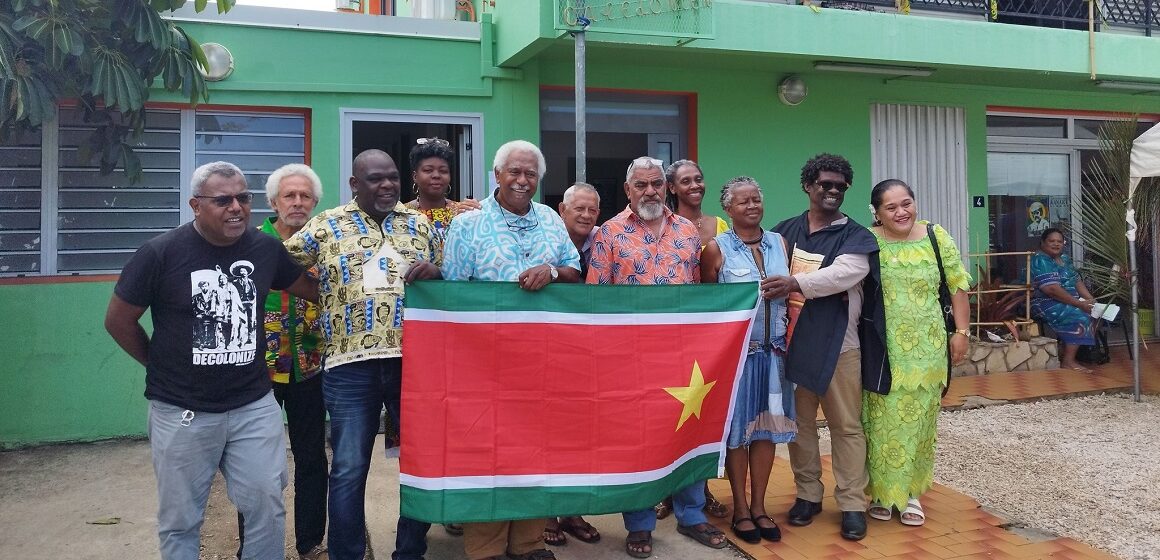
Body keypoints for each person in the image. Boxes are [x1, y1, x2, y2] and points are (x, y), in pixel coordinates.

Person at [104, 161, 317, 560]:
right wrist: (158, 365)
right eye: (223, 200)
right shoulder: (160, 253)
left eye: (243, 197)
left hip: (253, 405)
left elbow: (310, 289)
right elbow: (118, 320)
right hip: (182, 411)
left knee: (267, 506)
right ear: (195, 205)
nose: (236, 207)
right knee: (181, 520)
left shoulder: (264, 248)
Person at [285, 149, 442, 560]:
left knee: (420, 463)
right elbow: (281, 264)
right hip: (348, 367)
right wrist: (316, 293)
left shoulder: (420, 225)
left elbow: (453, 273)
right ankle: (347, 554)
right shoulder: (326, 225)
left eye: (391, 177)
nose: (386, 185)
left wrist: (436, 272)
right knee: (350, 469)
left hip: (414, 365)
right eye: (375, 178)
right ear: (355, 184)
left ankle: (410, 551)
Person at [441, 139, 581, 560]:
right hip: (483, 363)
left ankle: (529, 542)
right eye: (514, 172)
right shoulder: (468, 225)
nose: (523, 181)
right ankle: (484, 546)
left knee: (537, 448)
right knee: (488, 451)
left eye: (531, 174)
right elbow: (452, 295)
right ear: (497, 175)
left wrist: (552, 270)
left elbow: (575, 271)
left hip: (543, 360)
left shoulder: (552, 220)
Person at [587, 156, 726, 558]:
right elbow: (597, 300)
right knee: (637, 438)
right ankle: (640, 523)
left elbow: (700, 294)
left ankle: (692, 515)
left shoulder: (688, 231)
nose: (650, 191)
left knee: (689, 429)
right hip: (630, 358)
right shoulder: (609, 234)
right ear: (628, 190)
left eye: (656, 184)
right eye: (641, 185)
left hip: (684, 354)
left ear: (666, 188)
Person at [766, 153, 878, 541]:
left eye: (840, 186)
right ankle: (808, 495)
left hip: (840, 348)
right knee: (799, 427)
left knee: (847, 427)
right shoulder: (785, 230)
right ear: (808, 186)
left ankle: (851, 503)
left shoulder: (856, 235)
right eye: (824, 184)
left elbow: (846, 274)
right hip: (792, 344)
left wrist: (795, 284)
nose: (832, 191)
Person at [862, 179, 971, 527]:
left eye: (906, 203)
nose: (901, 212)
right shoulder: (867, 240)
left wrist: (963, 332)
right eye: (891, 207)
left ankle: (910, 493)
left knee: (920, 422)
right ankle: (881, 492)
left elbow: (957, 285)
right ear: (877, 213)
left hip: (928, 348)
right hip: (882, 348)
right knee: (879, 422)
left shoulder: (936, 236)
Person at [234, 164, 329, 560]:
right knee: (255, 464)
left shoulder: (326, 242)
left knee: (311, 457)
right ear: (273, 202)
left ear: (315, 203)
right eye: (289, 196)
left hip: (311, 365)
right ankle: (253, 546)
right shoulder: (251, 243)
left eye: (305, 196)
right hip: (259, 369)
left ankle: (309, 542)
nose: (297, 202)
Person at [699, 176, 796, 545]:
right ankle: (739, 509)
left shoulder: (779, 243)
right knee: (737, 434)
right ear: (728, 209)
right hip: (738, 358)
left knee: (767, 432)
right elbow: (709, 306)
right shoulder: (715, 249)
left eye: (756, 199)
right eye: (743, 202)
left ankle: (759, 506)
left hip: (775, 356)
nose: (752, 205)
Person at [1030, 227, 1098, 373]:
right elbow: (1051, 290)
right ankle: (1068, 361)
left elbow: (1077, 281)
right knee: (1080, 316)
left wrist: (1090, 299)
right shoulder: (1040, 259)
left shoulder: (1065, 258)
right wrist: (1080, 304)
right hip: (1046, 303)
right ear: (1043, 242)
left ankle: (1066, 348)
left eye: (1059, 241)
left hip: (1071, 300)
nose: (1056, 244)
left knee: (1097, 313)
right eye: (1051, 241)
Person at [405, 136, 482, 254]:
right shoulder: (403, 214)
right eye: (428, 170)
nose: (436, 175)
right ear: (415, 176)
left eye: (443, 171)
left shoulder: (462, 211)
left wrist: (476, 218)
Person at [666, 159, 729, 247]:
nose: (695, 186)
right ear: (672, 188)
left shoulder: (719, 225)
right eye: (686, 181)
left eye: (698, 180)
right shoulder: (665, 227)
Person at [558, 182, 602, 279]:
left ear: (598, 214)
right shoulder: (548, 237)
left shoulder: (604, 237)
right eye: (579, 209)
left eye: (592, 210)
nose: (586, 215)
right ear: (562, 210)